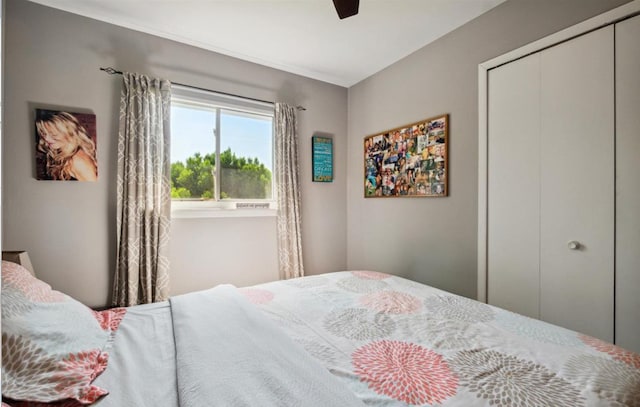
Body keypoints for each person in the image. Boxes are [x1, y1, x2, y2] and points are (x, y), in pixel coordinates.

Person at [36, 111, 98, 181]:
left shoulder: (78, 161)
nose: (46, 139)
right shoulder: (59, 152)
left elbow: (93, 190)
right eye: (43, 133)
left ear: (70, 132)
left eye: (53, 134)